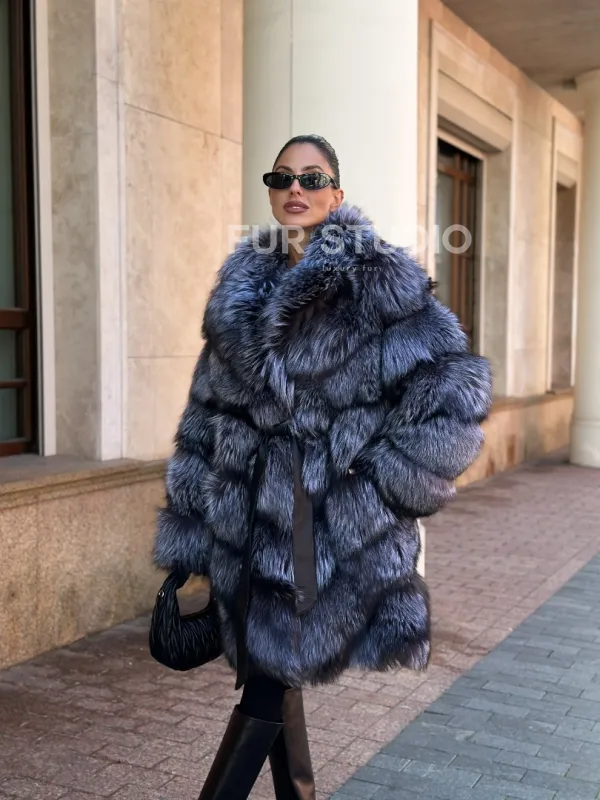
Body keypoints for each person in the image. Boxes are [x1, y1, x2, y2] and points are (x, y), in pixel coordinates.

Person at [153, 134, 492, 800]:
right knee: (273, 677)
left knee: (266, 683)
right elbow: (202, 420)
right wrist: (189, 535)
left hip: (321, 528)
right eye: (282, 177)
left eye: (312, 178)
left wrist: (375, 479)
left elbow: (454, 400)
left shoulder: (378, 281)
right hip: (244, 524)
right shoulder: (239, 293)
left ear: (336, 194)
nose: (295, 189)